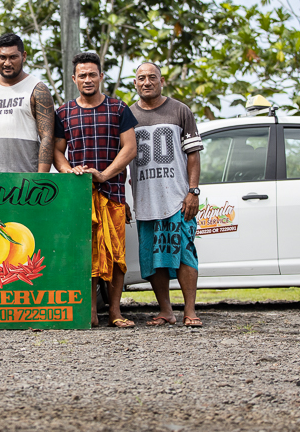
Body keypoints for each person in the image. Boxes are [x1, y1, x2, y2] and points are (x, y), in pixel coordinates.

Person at [54, 52, 138, 328]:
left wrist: (104, 175)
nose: (88, 79)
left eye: (93, 74)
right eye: (82, 75)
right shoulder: (64, 112)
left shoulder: (118, 109)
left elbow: (130, 148)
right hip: (80, 198)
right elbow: (57, 152)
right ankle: (88, 311)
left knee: (116, 255)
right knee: (85, 254)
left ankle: (115, 311)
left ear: (101, 76)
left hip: (112, 192)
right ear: (74, 78)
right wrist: (70, 172)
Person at [129, 62, 204, 327]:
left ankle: (190, 311)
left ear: (162, 81)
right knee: (153, 258)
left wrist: (192, 191)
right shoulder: (127, 116)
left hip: (177, 199)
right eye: (141, 78)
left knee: (185, 253)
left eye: (152, 77)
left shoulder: (180, 110)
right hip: (146, 199)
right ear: (135, 83)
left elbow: (193, 155)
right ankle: (166, 310)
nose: (146, 82)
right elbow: (123, 158)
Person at [0, 33, 55, 173]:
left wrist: (40, 181)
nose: (7, 63)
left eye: (13, 57)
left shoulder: (37, 89)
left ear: (23, 56)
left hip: (24, 182)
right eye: (2, 57)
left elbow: (47, 138)